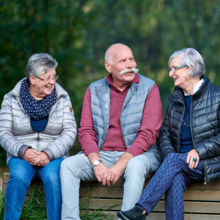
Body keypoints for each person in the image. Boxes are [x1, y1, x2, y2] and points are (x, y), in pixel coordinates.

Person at [60, 43, 163, 220]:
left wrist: (120, 164)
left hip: (140, 155)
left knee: (135, 165)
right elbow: (86, 131)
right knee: (68, 165)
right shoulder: (94, 89)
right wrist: (96, 162)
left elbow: (148, 134)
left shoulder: (149, 87)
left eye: (131, 59)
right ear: (108, 66)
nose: (130, 64)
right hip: (103, 154)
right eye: (123, 61)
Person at [117, 48, 220, 220]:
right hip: (180, 163)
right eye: (170, 69)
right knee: (175, 176)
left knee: (173, 163)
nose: (171, 73)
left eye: (174, 68)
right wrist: (171, 158)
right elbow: (164, 134)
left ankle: (141, 209)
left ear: (190, 69)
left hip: (209, 162)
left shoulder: (217, 96)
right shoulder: (175, 98)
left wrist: (199, 151)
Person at [0, 53, 77, 220]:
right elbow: (4, 133)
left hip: (54, 156)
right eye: (47, 78)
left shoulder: (62, 98)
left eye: (54, 76)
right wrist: (24, 151)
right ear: (32, 79)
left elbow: (70, 132)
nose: (52, 82)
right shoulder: (11, 99)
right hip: (21, 155)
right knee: (18, 176)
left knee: (53, 177)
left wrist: (48, 153)